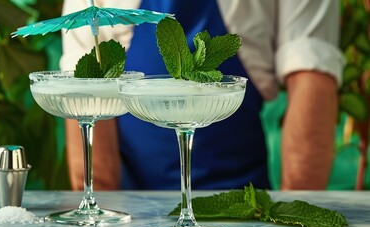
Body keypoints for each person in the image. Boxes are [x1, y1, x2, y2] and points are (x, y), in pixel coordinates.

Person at [60, 0, 343, 191]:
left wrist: (295, 215)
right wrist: (105, 218)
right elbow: (86, 92)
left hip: (243, 198)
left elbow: (311, 76)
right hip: (131, 201)